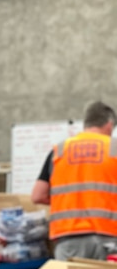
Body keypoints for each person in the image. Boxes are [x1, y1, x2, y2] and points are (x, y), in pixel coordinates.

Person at [31, 101, 117, 260]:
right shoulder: (114, 148)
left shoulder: (59, 151)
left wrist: (68, 200)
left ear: (86, 123)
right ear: (110, 125)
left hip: (68, 238)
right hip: (109, 237)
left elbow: (37, 195)